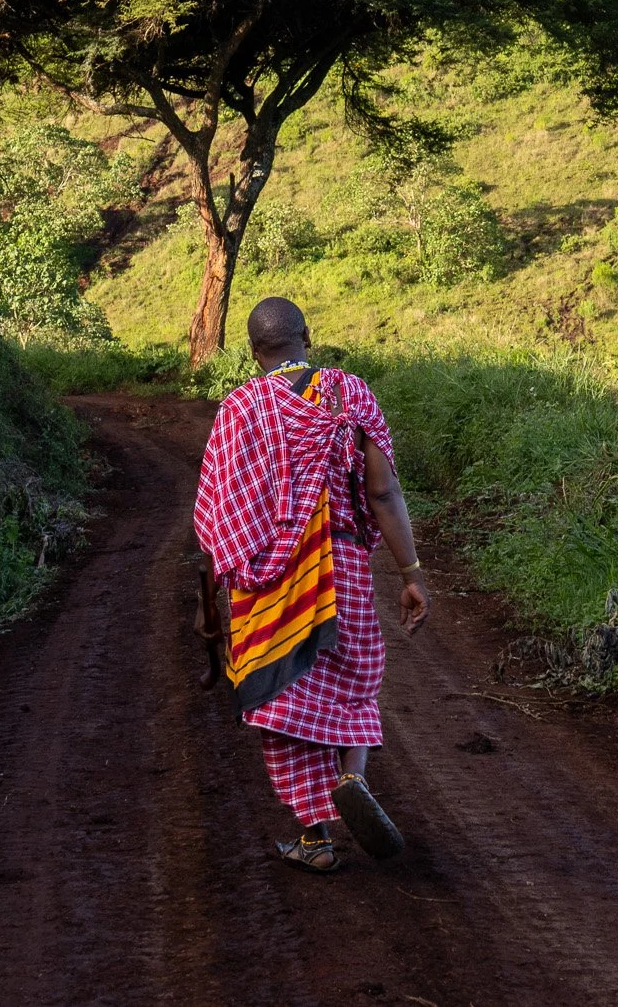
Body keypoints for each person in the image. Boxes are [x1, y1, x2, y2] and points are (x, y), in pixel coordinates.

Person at [193, 297, 429, 873]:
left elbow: (218, 520)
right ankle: (352, 775)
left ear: (253, 352)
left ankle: (315, 837)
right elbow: (382, 493)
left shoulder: (239, 410)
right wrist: (411, 572)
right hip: (343, 567)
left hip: (266, 585)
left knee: (283, 692)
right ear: (309, 336)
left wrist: (208, 607)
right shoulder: (348, 396)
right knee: (352, 682)